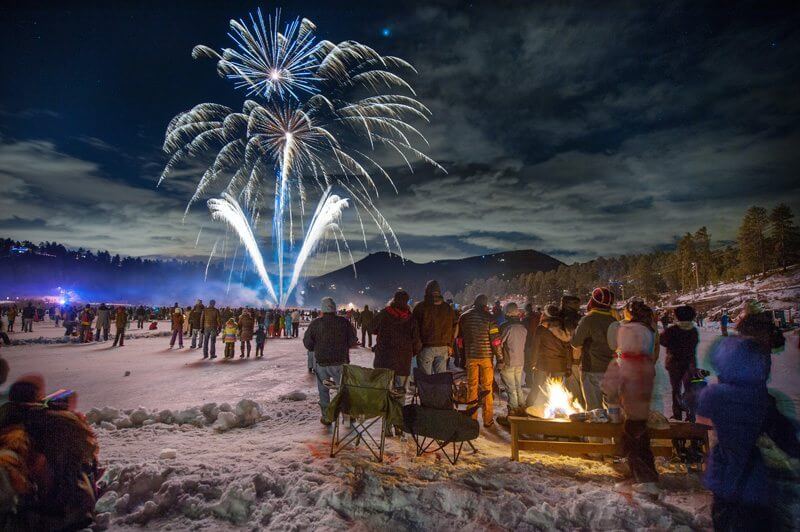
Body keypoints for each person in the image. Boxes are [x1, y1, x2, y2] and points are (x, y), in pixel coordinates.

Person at [697, 332, 798, 530]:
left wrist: (696, 383)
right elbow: (786, 436)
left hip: (724, 473)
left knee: (725, 519)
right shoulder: (763, 400)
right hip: (755, 479)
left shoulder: (715, 395)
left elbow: (699, 410)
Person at [0, 375, 99, 531]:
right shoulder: (58, 421)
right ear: (38, 398)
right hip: (62, 515)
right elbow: (90, 448)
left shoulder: (6, 422)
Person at [602, 301, 660, 496]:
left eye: (625, 311)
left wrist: (611, 384)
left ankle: (646, 479)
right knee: (635, 430)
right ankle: (641, 475)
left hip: (633, 382)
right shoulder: (648, 330)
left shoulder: (628, 330)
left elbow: (622, 358)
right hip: (644, 379)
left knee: (635, 432)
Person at [303, 297, 357, 424]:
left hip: (321, 363)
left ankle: (327, 417)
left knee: (323, 390)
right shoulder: (344, 322)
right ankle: (347, 416)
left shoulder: (316, 323)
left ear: (322, 310)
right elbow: (352, 340)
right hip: (340, 363)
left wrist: (316, 348)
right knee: (343, 390)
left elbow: (308, 343)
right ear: (335, 309)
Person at [458, 294, 501, 428]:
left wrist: (462, 356)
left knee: (472, 387)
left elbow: (460, 340)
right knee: (487, 388)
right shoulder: (489, 318)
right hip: (486, 357)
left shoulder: (464, 316)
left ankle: (472, 418)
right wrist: (500, 357)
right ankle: (488, 420)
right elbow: (495, 340)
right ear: (485, 305)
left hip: (471, 356)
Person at [571, 287, 616, 411]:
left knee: (594, 411)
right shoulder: (614, 320)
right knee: (612, 409)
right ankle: (611, 430)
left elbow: (575, 343)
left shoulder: (588, 320)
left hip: (592, 369)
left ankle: (596, 430)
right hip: (612, 370)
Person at [371, 290, 421, 396]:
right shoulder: (411, 318)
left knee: (383, 391)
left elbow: (372, 328)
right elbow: (416, 341)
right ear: (407, 302)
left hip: (383, 359)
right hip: (403, 361)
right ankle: (397, 411)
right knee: (400, 392)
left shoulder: (384, 313)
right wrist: (412, 353)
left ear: (394, 299)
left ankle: (384, 411)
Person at [525, 304, 573, 408]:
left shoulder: (541, 328)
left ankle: (527, 407)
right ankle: (555, 409)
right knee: (557, 388)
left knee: (536, 387)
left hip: (543, 364)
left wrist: (532, 363)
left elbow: (535, 347)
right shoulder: (563, 328)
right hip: (559, 365)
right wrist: (569, 366)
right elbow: (568, 349)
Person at [659, 305, 699, 420]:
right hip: (689, 364)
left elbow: (662, 340)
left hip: (674, 364)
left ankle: (677, 415)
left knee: (676, 389)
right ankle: (691, 415)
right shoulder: (693, 331)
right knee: (689, 389)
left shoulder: (672, 330)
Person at [412, 280, 456, 375]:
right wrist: (450, 345)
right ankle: (439, 390)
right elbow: (455, 327)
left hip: (426, 347)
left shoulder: (420, 307)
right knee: (440, 379)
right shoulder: (447, 308)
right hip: (443, 347)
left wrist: (417, 346)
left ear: (426, 291)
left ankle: (427, 390)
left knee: (425, 380)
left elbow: (414, 328)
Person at [497, 302, 527, 423]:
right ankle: (522, 409)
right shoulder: (523, 327)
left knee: (510, 388)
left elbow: (498, 343)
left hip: (508, 360)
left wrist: (499, 360)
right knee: (518, 386)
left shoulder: (506, 326)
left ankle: (513, 415)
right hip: (520, 360)